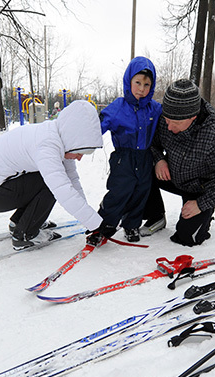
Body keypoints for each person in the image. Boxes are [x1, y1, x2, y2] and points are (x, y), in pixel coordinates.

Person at [0, 100, 104, 250]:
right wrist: (97, 225)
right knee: (50, 183)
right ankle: (25, 234)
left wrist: (90, 219)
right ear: (72, 139)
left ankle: (20, 222)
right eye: (81, 152)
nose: (79, 157)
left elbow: (72, 182)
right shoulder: (47, 146)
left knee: (52, 178)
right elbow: (64, 191)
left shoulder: (56, 137)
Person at [140, 79, 215, 247]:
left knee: (187, 238)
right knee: (139, 168)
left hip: (200, 190)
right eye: (167, 120)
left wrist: (201, 204)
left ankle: (205, 215)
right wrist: (159, 160)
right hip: (172, 175)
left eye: (175, 123)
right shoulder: (165, 119)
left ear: (193, 117)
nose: (168, 127)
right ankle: (156, 215)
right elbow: (152, 144)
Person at [88, 56, 162, 245]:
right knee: (118, 193)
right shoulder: (118, 107)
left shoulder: (154, 109)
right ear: (129, 81)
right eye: (137, 82)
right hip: (123, 158)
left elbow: (170, 117)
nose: (142, 89)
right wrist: (83, 140)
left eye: (147, 84)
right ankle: (103, 227)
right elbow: (98, 126)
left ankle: (131, 225)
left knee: (140, 193)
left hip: (145, 157)